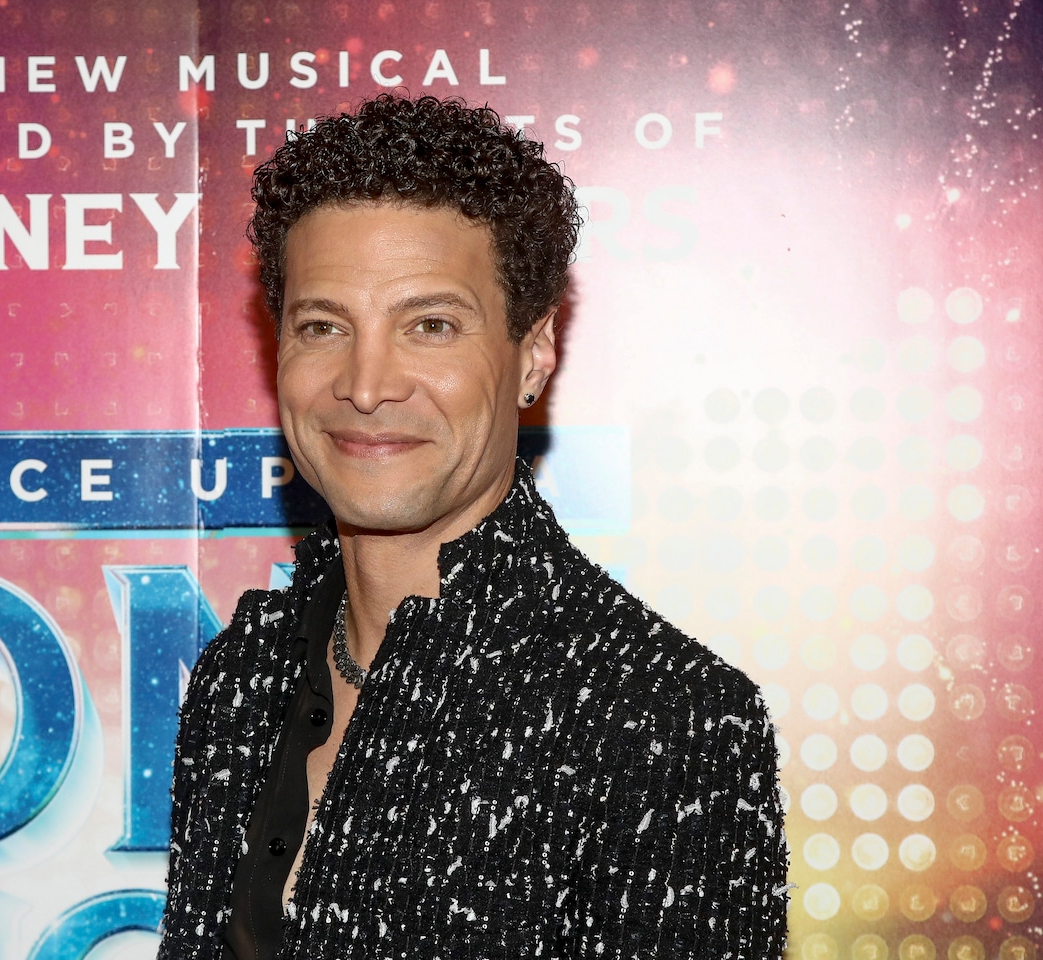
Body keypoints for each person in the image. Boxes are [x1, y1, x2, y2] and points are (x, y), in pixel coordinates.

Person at [158, 94, 787, 959]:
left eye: (431, 325)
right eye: (323, 326)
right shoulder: (241, 676)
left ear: (533, 355)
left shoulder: (663, 718)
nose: (367, 385)